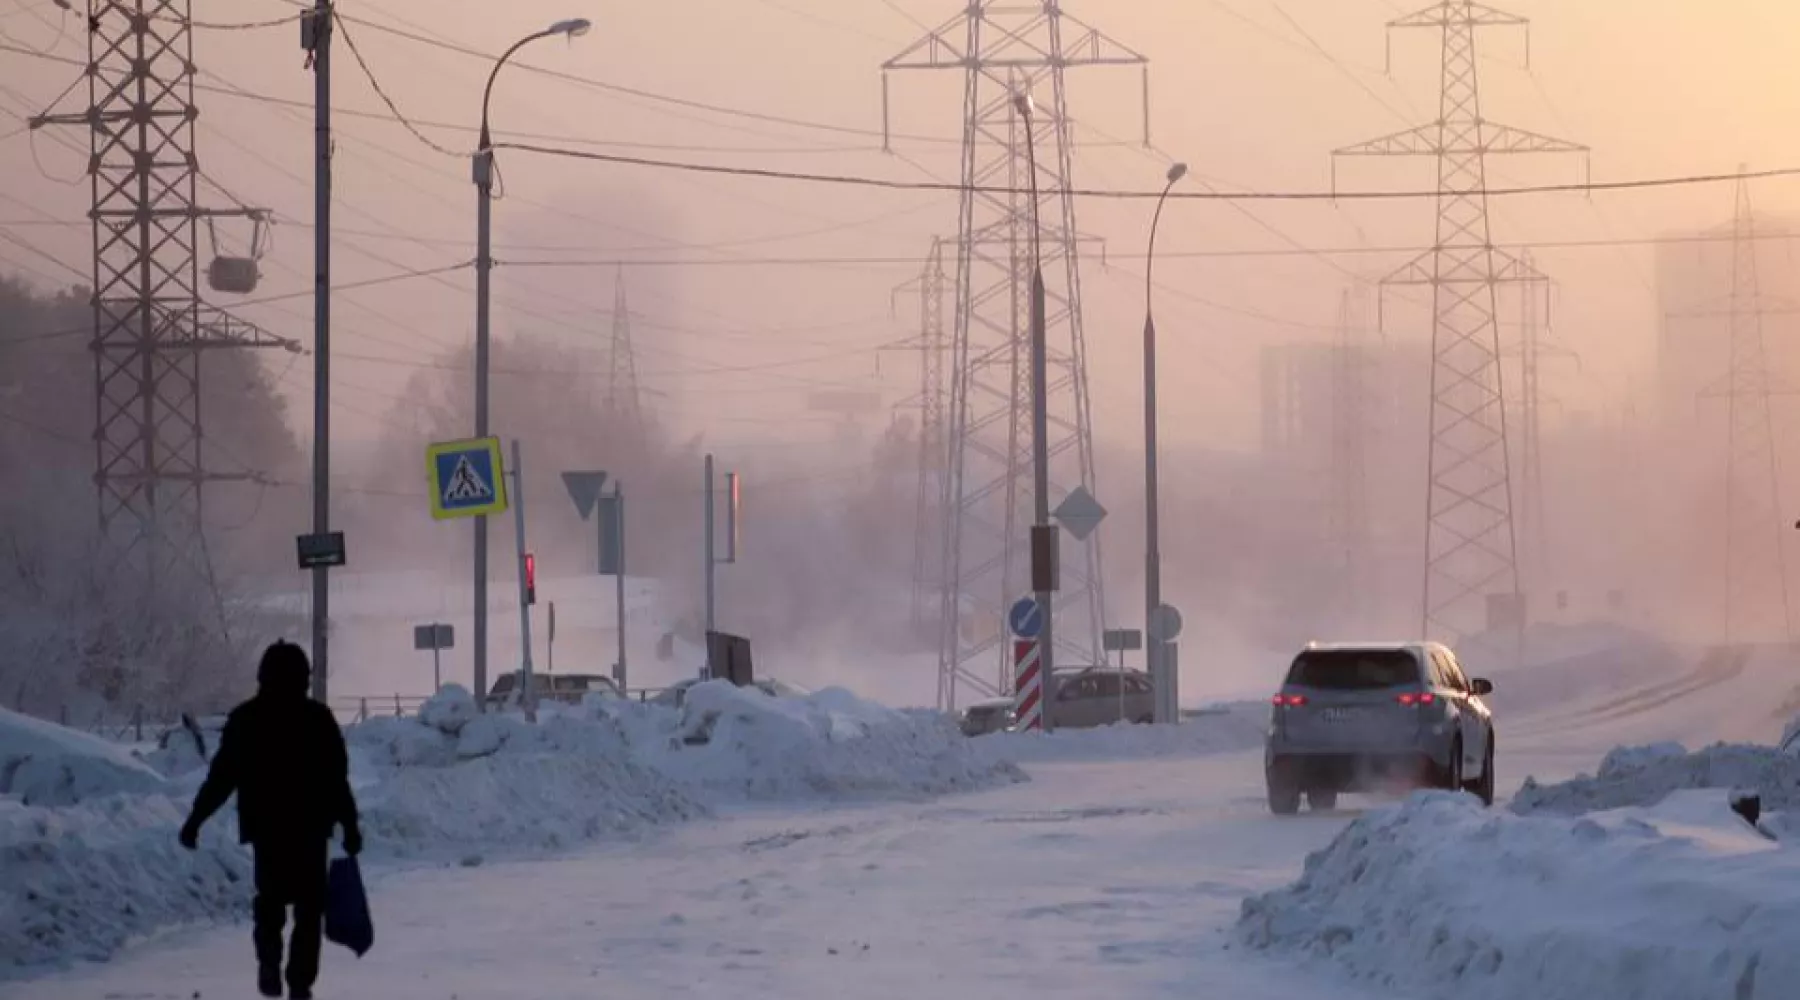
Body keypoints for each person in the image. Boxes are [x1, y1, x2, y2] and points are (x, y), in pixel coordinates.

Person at [179, 641, 362, 1000]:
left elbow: (221, 778)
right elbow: (336, 779)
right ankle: (299, 982)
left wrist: (195, 821)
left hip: (266, 831)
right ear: (303, 678)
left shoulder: (246, 719)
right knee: (310, 910)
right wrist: (350, 826)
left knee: (270, 903)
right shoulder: (317, 719)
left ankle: (268, 963)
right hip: (310, 830)